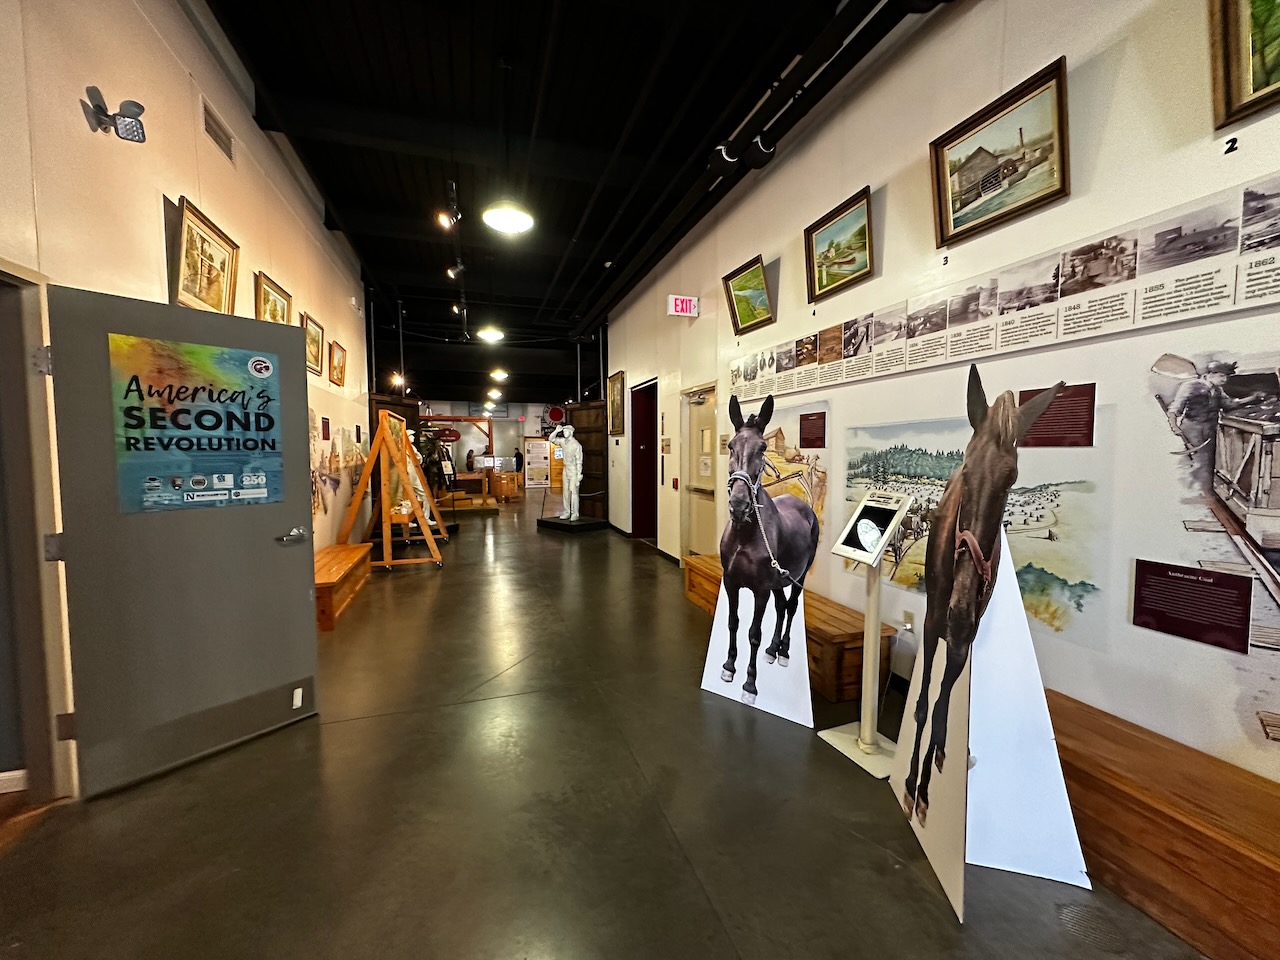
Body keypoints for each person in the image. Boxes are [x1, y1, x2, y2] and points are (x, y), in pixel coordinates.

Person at [1165, 360, 1260, 488]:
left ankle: (1206, 488)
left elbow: (1230, 404)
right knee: (1198, 460)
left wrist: (1253, 398)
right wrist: (1174, 426)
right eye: (1221, 376)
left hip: (1210, 428)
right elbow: (1175, 408)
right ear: (1210, 374)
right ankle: (1198, 489)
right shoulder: (1191, 386)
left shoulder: (1218, 390)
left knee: (1209, 462)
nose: (1225, 379)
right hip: (1192, 428)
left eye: (1226, 376)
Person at [548, 424, 583, 521]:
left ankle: (575, 513)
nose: (564, 433)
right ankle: (567, 512)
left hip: (573, 469)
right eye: (563, 432)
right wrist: (556, 431)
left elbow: (579, 460)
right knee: (566, 492)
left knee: (574, 492)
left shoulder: (576, 445)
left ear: (571, 432)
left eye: (566, 431)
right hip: (566, 468)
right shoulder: (563, 441)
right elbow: (551, 439)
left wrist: (579, 473)